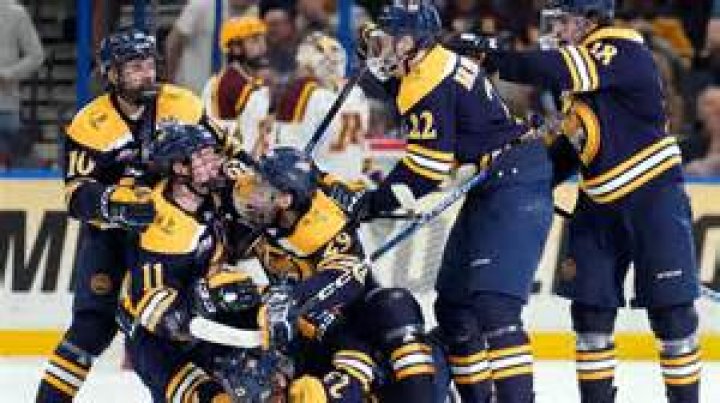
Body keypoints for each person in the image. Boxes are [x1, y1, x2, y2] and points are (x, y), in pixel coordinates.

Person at [482, 1, 702, 402]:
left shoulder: (620, 47)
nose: (556, 31)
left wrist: (492, 58)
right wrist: (522, 175)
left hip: (652, 198)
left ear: (590, 20)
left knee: (672, 314)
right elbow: (576, 146)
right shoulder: (581, 76)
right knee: (589, 313)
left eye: (563, 21)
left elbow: (552, 68)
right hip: (598, 204)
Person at [359, 2, 554, 402]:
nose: (381, 48)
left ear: (410, 43)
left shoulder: (425, 80)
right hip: (498, 179)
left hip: (513, 181)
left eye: (389, 40)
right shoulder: (435, 63)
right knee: (454, 307)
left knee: (496, 310)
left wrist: (373, 202)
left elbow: (426, 169)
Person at [35, 29, 239, 402]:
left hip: (173, 237)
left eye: (149, 65)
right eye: (134, 67)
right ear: (112, 74)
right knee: (91, 329)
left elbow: (226, 151)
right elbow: (76, 195)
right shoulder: (89, 124)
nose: (147, 74)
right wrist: (116, 204)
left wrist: (248, 175)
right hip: (113, 238)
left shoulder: (184, 104)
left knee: (182, 329)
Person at [228, 147, 439, 402]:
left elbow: (346, 280)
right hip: (303, 325)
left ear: (285, 200)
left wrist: (290, 299)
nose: (251, 193)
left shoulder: (324, 227)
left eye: (262, 189)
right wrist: (232, 156)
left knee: (395, 305)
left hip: (347, 318)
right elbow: (314, 173)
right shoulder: (267, 209)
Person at [118, 122, 283, 402]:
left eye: (213, 154)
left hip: (203, 327)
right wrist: (207, 297)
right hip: (156, 342)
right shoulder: (162, 228)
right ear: (180, 168)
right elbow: (155, 312)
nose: (216, 163)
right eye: (204, 159)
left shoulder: (208, 192)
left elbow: (252, 208)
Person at [275, 31, 371, 181]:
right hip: (352, 182)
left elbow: (289, 152)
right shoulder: (356, 92)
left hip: (323, 187)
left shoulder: (304, 93)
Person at [202, 16, 273, 158]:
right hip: (237, 161)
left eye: (263, 39)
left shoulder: (222, 79)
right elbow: (254, 140)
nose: (263, 47)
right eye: (255, 40)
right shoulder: (237, 86)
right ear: (236, 48)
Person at [165, 0, 259, 95]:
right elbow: (173, 43)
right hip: (191, 93)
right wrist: (171, 84)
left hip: (230, 96)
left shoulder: (256, 16)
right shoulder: (201, 4)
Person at [0, 0, 44, 169]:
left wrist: (7, 74)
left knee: (20, 166)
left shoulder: (15, 12)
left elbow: (36, 55)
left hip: (6, 105)